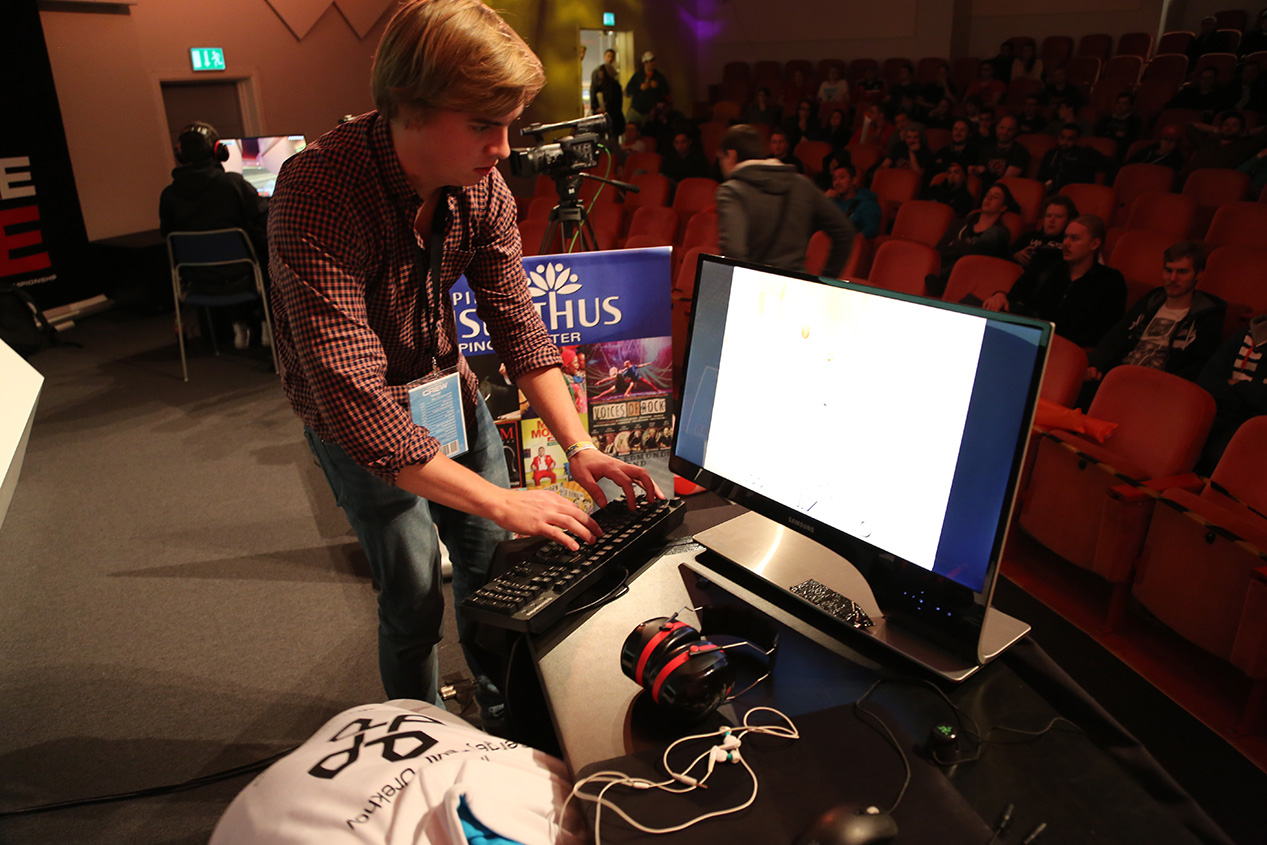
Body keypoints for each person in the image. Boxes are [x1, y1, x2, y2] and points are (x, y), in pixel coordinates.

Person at [267, 0, 659, 717]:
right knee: (413, 596)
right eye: (483, 124)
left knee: (493, 574)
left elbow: (519, 328)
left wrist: (578, 446)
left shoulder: (480, 186)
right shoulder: (318, 191)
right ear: (409, 107)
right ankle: (421, 734)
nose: (503, 148)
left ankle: (501, 714)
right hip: (360, 419)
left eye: (508, 124)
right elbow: (355, 399)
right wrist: (502, 499)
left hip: (448, 392)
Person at [159, 120, 269, 350]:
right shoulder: (233, 184)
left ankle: (238, 324)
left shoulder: (168, 195)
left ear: (180, 155)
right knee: (270, 252)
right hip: (243, 277)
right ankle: (268, 324)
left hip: (196, 282)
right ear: (219, 151)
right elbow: (265, 218)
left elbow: (167, 236)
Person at [1081, 241, 1226, 407]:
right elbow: (1117, 335)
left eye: (1182, 272)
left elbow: (1199, 366)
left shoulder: (1207, 316)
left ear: (1198, 274)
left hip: (1159, 392)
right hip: (1119, 377)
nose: (1173, 278)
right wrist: (1096, 363)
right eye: (1168, 270)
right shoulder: (1152, 300)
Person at [715, 124, 856, 274]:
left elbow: (734, 253)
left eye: (721, 158)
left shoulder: (732, 191)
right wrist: (826, 279)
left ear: (731, 155)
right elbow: (845, 231)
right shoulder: (801, 183)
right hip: (795, 283)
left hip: (754, 285)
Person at [983, 215, 1126, 348]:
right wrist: (1000, 295)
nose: (1066, 243)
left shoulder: (1110, 281)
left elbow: (1107, 332)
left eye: (1074, 239)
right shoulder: (1047, 267)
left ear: (1094, 244)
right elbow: (1015, 296)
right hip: (1027, 339)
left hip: (1069, 350)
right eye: (1066, 237)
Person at [1195, 313, 1267, 473]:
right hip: (1221, 409)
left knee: (1218, 456)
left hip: (1255, 425)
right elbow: (1208, 380)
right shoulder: (1246, 335)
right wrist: (1248, 393)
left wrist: (1239, 385)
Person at [927, 182, 1019, 295]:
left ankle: (945, 281)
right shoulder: (961, 224)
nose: (989, 198)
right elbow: (940, 249)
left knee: (994, 233)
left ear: (1003, 207)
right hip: (947, 264)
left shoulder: (999, 233)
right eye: (987, 195)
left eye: (995, 197)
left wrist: (958, 246)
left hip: (971, 275)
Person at [1036, 123, 1112, 193]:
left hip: (1077, 194)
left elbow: (1109, 165)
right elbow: (1041, 177)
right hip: (1051, 193)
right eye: (1062, 137)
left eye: (1070, 139)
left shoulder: (1086, 154)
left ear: (1077, 140)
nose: (1065, 142)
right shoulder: (1051, 154)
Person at [1010, 195, 1078, 272]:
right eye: (1048, 216)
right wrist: (1016, 256)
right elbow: (1006, 256)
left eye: (1058, 216)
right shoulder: (1027, 237)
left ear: (1068, 220)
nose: (1052, 220)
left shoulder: (1069, 245)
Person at [826, 163, 882, 238]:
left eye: (842, 177)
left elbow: (871, 230)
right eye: (834, 179)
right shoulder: (832, 201)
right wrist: (824, 201)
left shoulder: (868, 204)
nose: (837, 182)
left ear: (854, 180)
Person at [972, 115, 1030, 186]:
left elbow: (1007, 180)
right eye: (1002, 128)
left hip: (1006, 188)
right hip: (986, 187)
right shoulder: (987, 148)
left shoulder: (1020, 152)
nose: (1004, 132)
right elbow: (981, 172)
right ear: (997, 128)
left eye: (1009, 130)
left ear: (1015, 132)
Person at [625, 51, 670, 128]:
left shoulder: (659, 76)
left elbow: (667, 90)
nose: (653, 63)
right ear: (645, 63)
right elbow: (628, 90)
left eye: (653, 61)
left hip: (650, 112)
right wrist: (639, 88)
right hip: (636, 110)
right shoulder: (637, 75)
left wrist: (657, 86)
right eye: (651, 61)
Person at [589, 49, 625, 139]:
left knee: (612, 139)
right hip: (602, 116)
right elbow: (593, 94)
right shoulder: (599, 83)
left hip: (612, 117)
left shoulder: (614, 86)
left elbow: (616, 103)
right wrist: (595, 108)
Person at [1095, 93, 1143, 160]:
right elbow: (1098, 134)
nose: (1120, 106)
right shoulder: (1106, 119)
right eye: (1118, 103)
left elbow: (1133, 139)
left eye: (1124, 104)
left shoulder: (1134, 121)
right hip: (1103, 147)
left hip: (1120, 152)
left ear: (1130, 106)